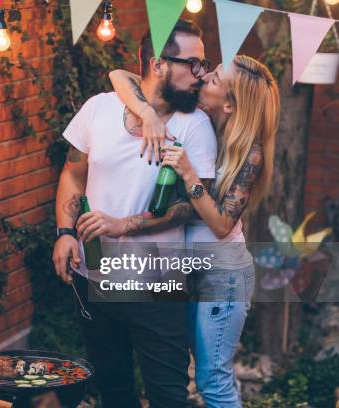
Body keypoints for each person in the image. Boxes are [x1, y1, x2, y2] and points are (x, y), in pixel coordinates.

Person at [52, 20, 217, 407]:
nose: (201, 74)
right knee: (113, 392)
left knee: (167, 396)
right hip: (92, 276)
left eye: (203, 64)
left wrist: (123, 225)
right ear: (159, 64)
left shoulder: (194, 126)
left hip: (157, 288)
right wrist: (63, 231)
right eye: (193, 64)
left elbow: (194, 207)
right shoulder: (99, 108)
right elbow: (73, 173)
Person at [104, 54, 280, 407]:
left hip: (222, 273)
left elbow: (220, 224)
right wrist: (149, 113)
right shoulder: (202, 123)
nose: (203, 78)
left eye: (214, 80)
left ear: (229, 104)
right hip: (185, 267)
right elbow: (119, 74)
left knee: (213, 381)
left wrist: (188, 174)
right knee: (180, 371)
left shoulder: (250, 153)